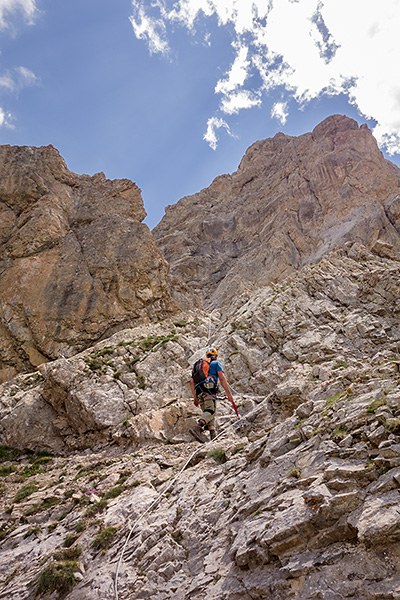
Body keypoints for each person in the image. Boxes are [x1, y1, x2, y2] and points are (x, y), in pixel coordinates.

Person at [189, 347, 238, 443]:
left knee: (208, 412)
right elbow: (222, 378)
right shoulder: (216, 363)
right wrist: (229, 394)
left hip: (199, 391)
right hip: (209, 389)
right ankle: (198, 427)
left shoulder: (200, 366)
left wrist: (195, 398)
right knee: (211, 411)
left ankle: (213, 435)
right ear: (215, 356)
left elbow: (191, 382)